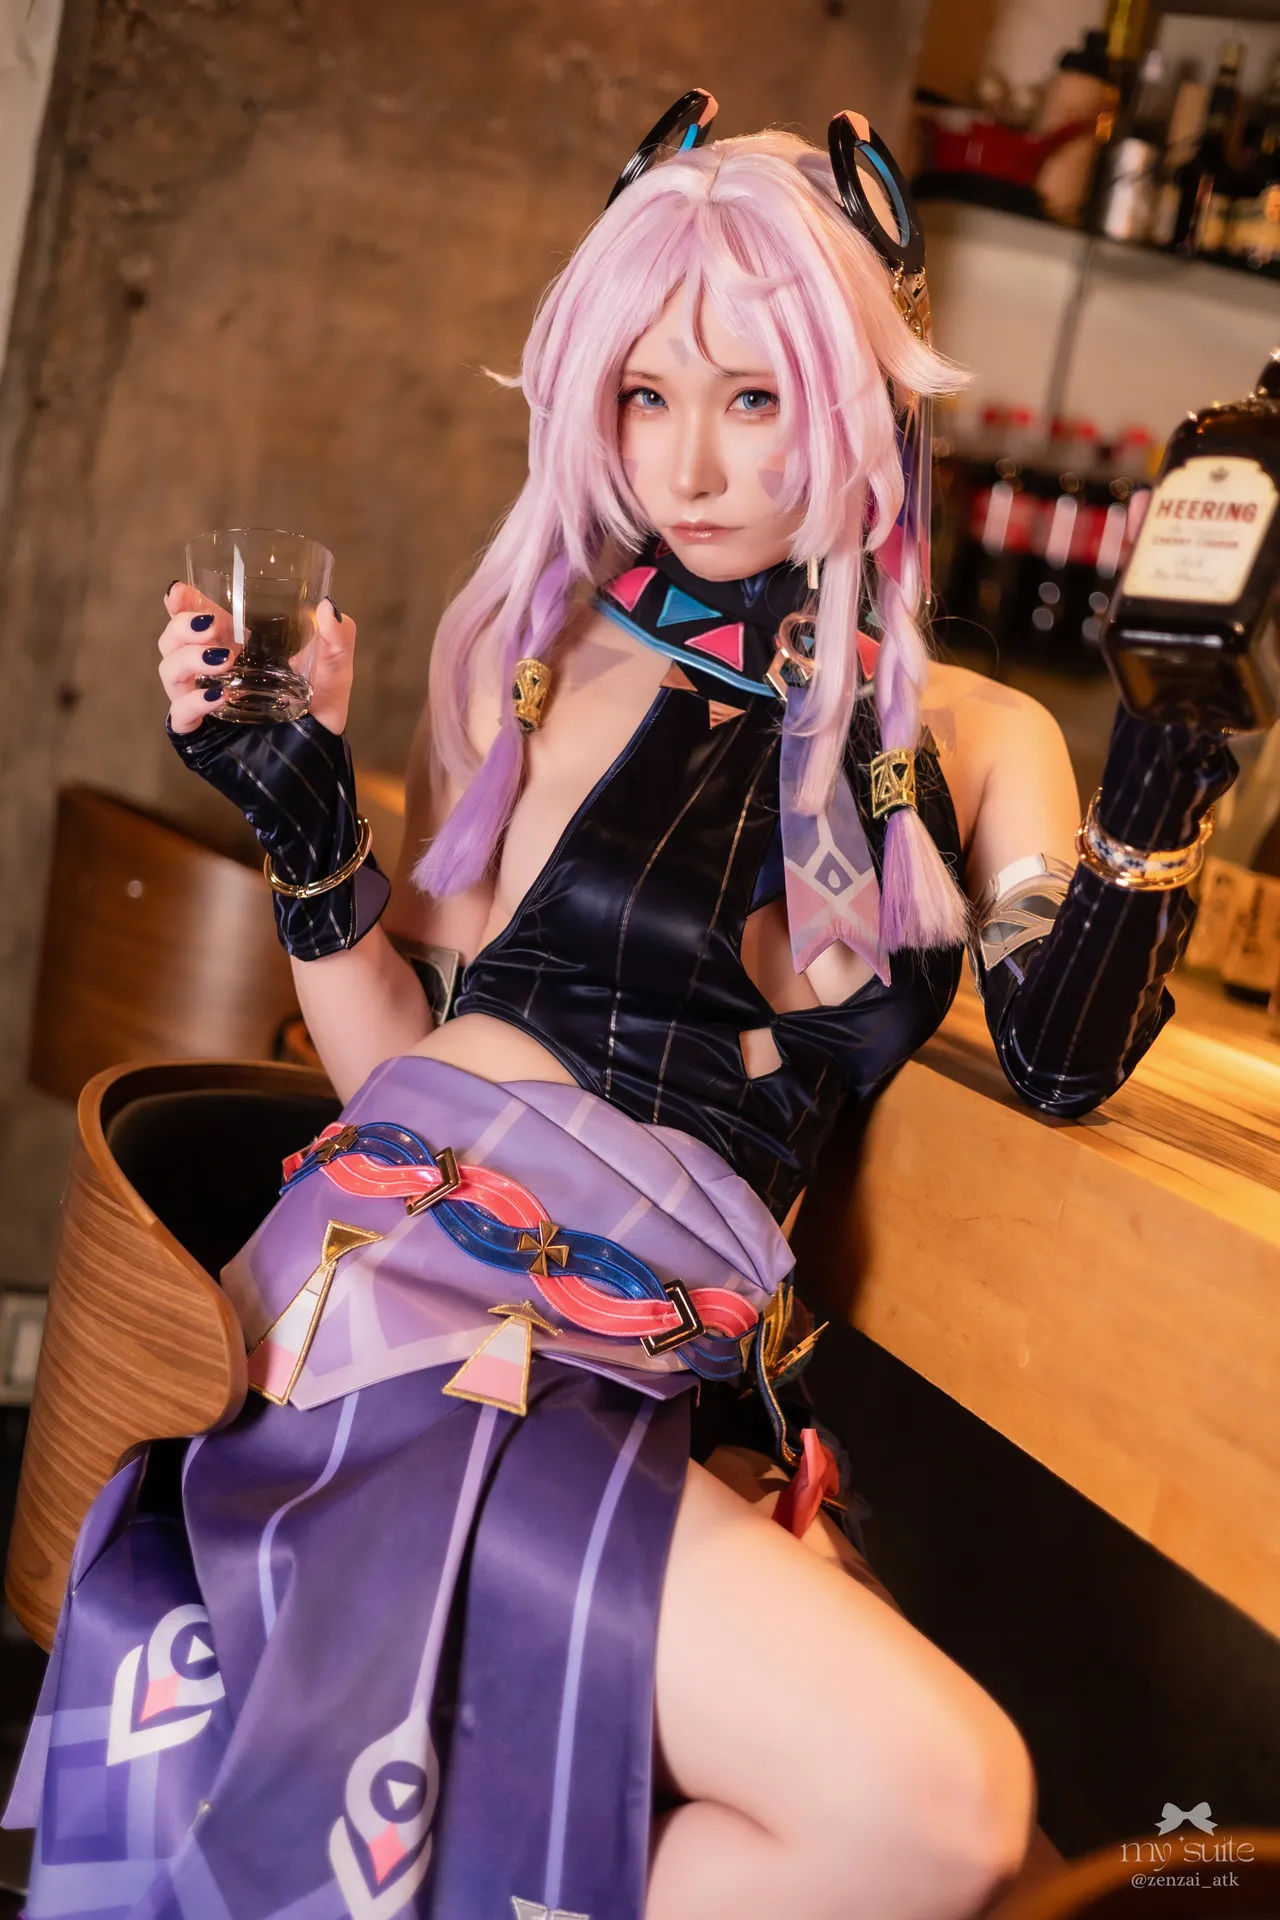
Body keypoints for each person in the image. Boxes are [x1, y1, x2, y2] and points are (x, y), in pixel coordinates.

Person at [5, 101, 1234, 1920]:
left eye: (753, 397)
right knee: (946, 1807)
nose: (690, 465)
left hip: (659, 1362)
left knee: (981, 1839)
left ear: (859, 394)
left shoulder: (975, 738)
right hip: (418, 1314)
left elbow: (1060, 1056)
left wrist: (1176, 738)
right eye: (646, 396)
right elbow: (397, 1072)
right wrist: (312, 835)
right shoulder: (531, 653)